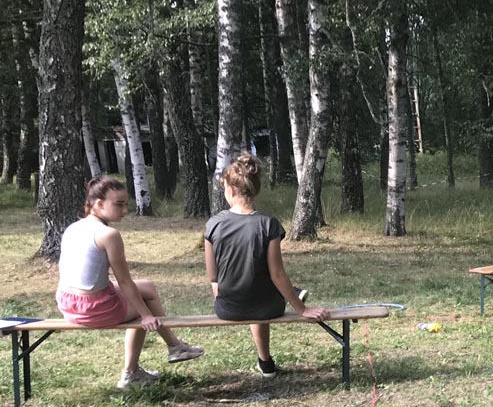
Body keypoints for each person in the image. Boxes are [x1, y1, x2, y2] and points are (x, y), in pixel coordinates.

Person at [56, 178, 205, 390]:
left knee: (147, 287)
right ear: (98, 203)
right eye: (119, 204)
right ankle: (134, 371)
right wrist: (146, 315)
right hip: (93, 309)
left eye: (126, 204)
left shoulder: (73, 227)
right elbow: (124, 281)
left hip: (67, 304)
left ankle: (174, 346)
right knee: (142, 307)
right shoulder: (108, 234)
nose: (125, 210)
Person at [204, 153, 329, 378]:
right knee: (262, 286)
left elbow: (213, 276)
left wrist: (223, 300)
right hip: (267, 307)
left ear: (231, 190)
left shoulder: (213, 224)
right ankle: (266, 360)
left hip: (227, 309)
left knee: (254, 285)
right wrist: (302, 310)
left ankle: (265, 362)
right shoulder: (268, 224)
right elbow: (277, 274)